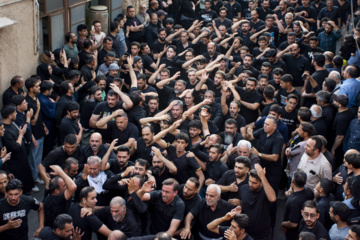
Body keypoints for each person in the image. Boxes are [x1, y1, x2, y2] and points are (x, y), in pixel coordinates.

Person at [246, 115, 284, 194]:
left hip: (272, 171)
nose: (265, 126)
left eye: (267, 125)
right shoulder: (263, 130)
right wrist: (249, 133)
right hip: (261, 167)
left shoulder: (278, 138)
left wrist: (258, 154)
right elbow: (250, 138)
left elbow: (275, 157)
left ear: (274, 126)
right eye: (264, 123)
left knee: (270, 192)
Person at [1, 104, 34, 194]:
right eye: (15, 113)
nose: (16, 114)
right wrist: (21, 134)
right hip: (15, 165)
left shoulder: (12, 123)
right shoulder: (5, 131)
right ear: (9, 116)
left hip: (22, 161)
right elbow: (15, 147)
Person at [239, 165, 277, 240]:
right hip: (246, 233)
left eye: (254, 183)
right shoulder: (243, 188)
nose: (250, 184)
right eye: (249, 181)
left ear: (261, 183)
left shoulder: (265, 191)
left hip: (262, 235)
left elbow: (273, 198)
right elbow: (241, 204)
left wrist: (262, 176)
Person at [282, 170, 314, 240]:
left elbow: (293, 223)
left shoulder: (294, 202)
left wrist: (283, 224)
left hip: (294, 233)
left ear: (292, 180)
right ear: (305, 182)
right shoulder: (309, 191)